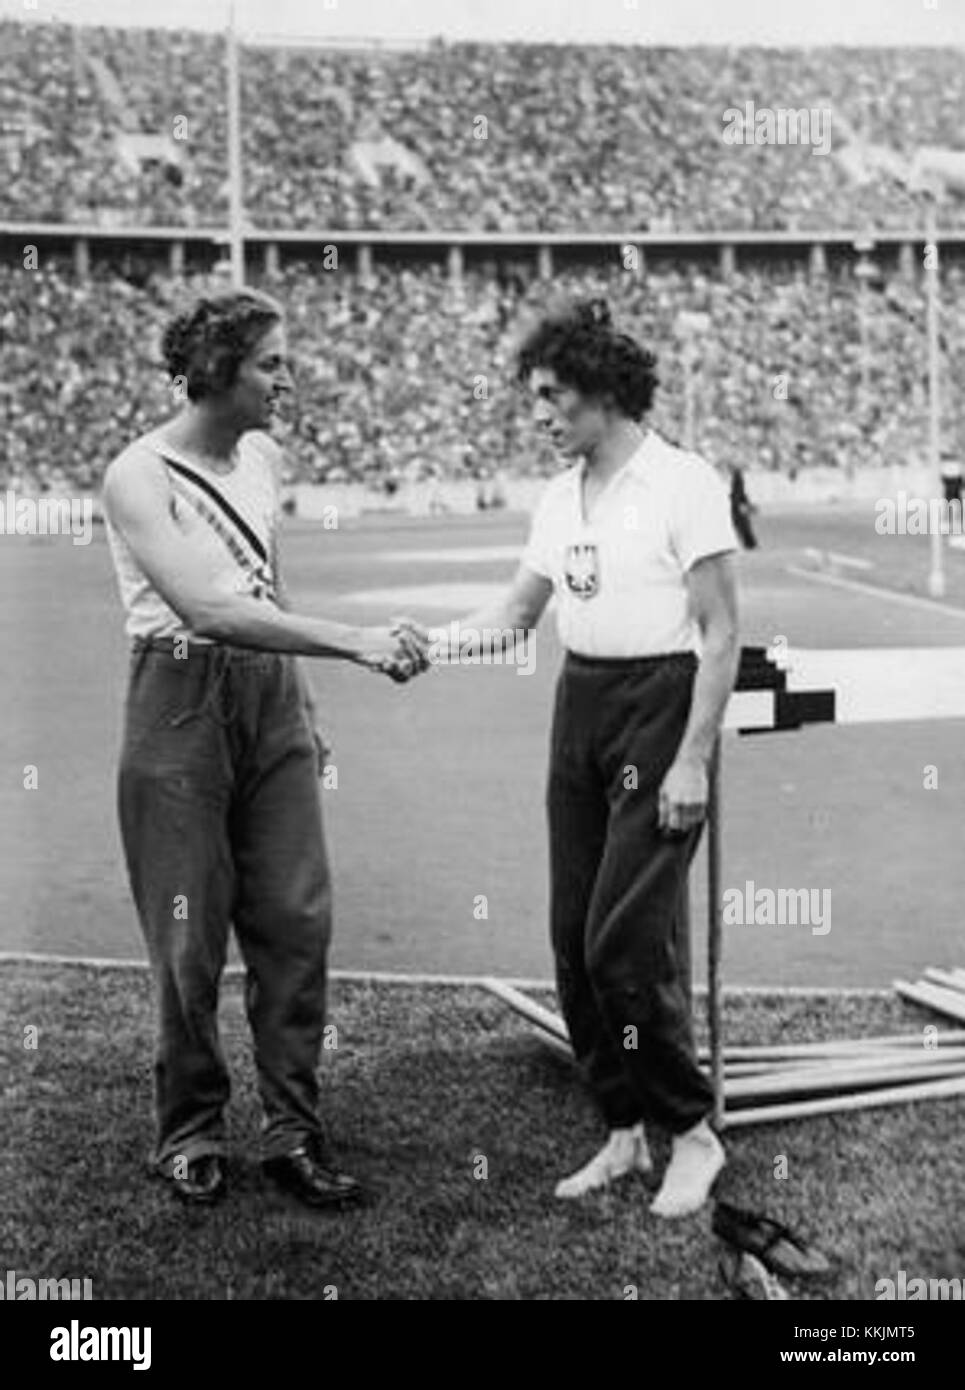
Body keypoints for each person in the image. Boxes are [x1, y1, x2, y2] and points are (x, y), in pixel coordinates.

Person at [403, 298, 739, 1218]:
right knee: (570, 940)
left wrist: (691, 761)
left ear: (603, 392)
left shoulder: (682, 483)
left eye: (553, 396)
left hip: (661, 708)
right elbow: (514, 617)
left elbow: (720, 634)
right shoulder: (560, 495)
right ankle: (623, 1128)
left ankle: (693, 1132)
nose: (540, 414)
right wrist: (423, 644)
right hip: (580, 703)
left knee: (622, 945)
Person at [101, 288, 428, 1209]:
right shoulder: (139, 473)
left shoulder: (264, 457)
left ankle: (293, 1130)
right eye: (271, 363)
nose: (289, 378)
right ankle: (190, 1130)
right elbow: (204, 609)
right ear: (216, 370)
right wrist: (356, 642)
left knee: (295, 921)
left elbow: (263, 584)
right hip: (178, 697)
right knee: (187, 934)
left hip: (271, 698)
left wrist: (305, 694)